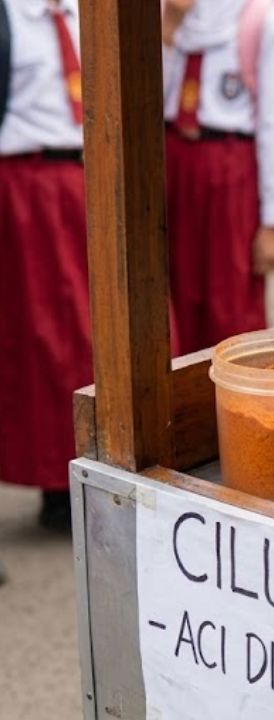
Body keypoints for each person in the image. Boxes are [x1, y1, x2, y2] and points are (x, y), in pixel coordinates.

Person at [0, 0, 92, 530]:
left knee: (93, 336)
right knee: (39, 342)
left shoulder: (91, 15)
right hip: (27, 188)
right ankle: (51, 483)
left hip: (85, 178)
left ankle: (94, 465)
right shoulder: (9, 17)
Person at [161, 0, 274, 356]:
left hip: (232, 175)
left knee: (230, 302)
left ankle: (233, 400)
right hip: (173, 167)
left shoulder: (262, 20)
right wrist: (169, 29)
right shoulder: (164, 14)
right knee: (170, 296)